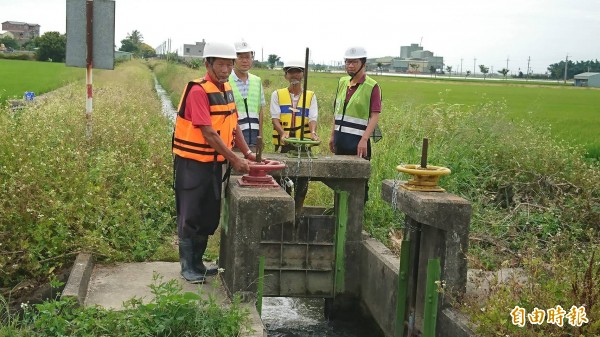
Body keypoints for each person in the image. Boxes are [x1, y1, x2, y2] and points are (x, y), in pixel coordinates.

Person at [172, 41, 256, 284]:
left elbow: (233, 125)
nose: (226, 69)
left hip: (212, 165)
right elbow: (208, 132)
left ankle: (198, 263)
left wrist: (247, 152)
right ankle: (187, 266)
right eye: (220, 64)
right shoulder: (198, 91)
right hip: (192, 164)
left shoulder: (227, 89)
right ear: (207, 63)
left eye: (229, 64)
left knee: (208, 215)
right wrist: (234, 159)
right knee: (190, 214)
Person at [329, 46, 382, 202]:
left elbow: (374, 115)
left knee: (358, 182)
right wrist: (332, 135)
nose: (350, 65)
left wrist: (364, 140)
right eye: (348, 62)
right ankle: (339, 215)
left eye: (354, 62)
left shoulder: (372, 86)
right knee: (339, 181)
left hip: (358, 143)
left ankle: (356, 220)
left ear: (363, 63)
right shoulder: (342, 82)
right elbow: (337, 111)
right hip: (340, 140)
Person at [270, 59, 319, 216]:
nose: (294, 75)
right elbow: (275, 118)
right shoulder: (277, 95)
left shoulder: (310, 96)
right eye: (291, 72)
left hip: (303, 147)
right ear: (286, 75)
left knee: (302, 183)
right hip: (285, 145)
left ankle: (298, 213)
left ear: (303, 74)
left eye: (297, 71)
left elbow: (313, 118)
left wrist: (312, 132)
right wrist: (282, 132)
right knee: (283, 181)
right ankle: (285, 214)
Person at [229, 40, 266, 152]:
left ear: (252, 59)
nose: (244, 61)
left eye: (248, 57)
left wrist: (260, 137)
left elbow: (260, 111)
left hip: (253, 140)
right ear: (234, 59)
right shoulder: (226, 80)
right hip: (232, 139)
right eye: (240, 57)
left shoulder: (257, 81)